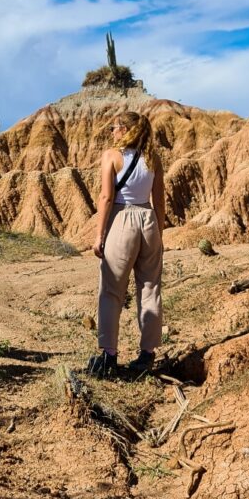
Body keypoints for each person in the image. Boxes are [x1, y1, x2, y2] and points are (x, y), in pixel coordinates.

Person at [87, 111, 165, 378]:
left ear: (125, 130)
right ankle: (147, 354)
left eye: (114, 127)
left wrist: (99, 236)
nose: (112, 132)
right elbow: (160, 199)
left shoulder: (112, 156)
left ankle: (109, 355)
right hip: (149, 219)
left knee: (111, 290)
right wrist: (159, 232)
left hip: (123, 218)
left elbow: (106, 198)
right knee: (150, 287)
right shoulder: (153, 158)